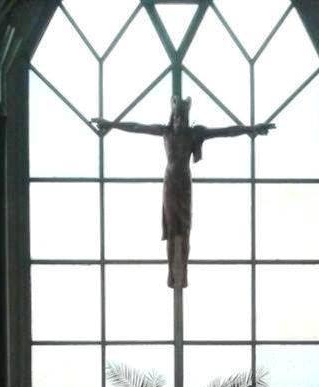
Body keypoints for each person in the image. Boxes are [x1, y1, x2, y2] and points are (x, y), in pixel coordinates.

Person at [93, 96, 274, 288]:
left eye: (183, 117)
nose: (179, 120)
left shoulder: (195, 133)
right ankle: (171, 272)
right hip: (170, 182)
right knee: (172, 229)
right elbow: (136, 127)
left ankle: (183, 273)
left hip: (185, 183)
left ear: (187, 117)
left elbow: (227, 131)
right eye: (177, 116)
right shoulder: (166, 131)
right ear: (172, 116)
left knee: (185, 229)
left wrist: (252, 129)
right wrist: (110, 124)